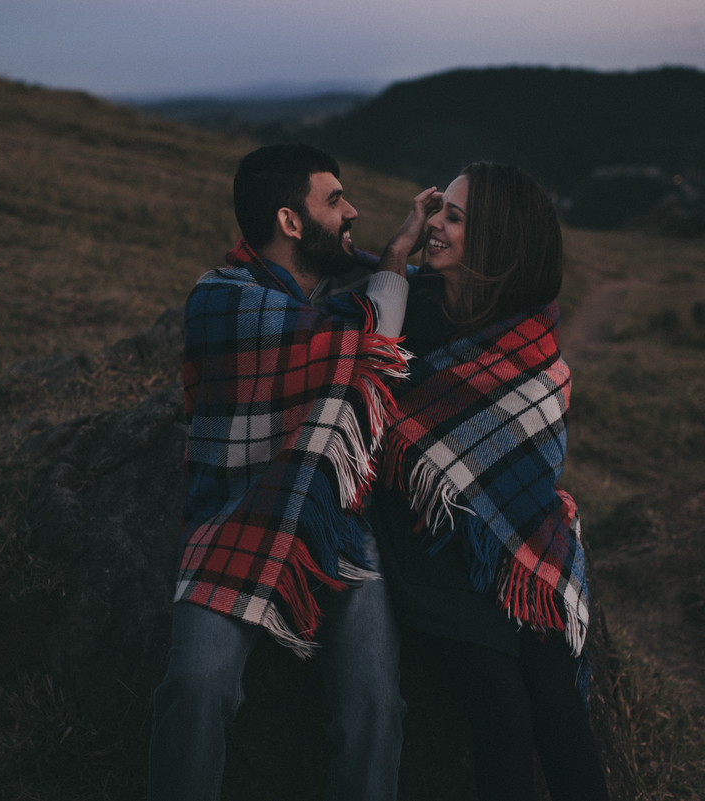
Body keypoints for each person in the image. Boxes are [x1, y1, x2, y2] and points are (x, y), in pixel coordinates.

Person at [148, 144, 435, 801]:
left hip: (336, 521)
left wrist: (397, 261)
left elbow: (369, 332)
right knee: (196, 685)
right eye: (335, 200)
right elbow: (374, 348)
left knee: (374, 707)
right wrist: (394, 260)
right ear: (290, 220)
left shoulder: (338, 301)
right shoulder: (224, 297)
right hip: (234, 516)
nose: (352, 209)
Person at [374, 162, 610, 801]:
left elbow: (532, 451)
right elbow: (372, 379)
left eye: (454, 216)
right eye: (438, 210)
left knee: (556, 694)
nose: (436, 227)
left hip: (513, 529)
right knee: (500, 702)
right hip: (427, 531)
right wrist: (396, 249)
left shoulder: (529, 331)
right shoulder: (411, 304)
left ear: (497, 241)